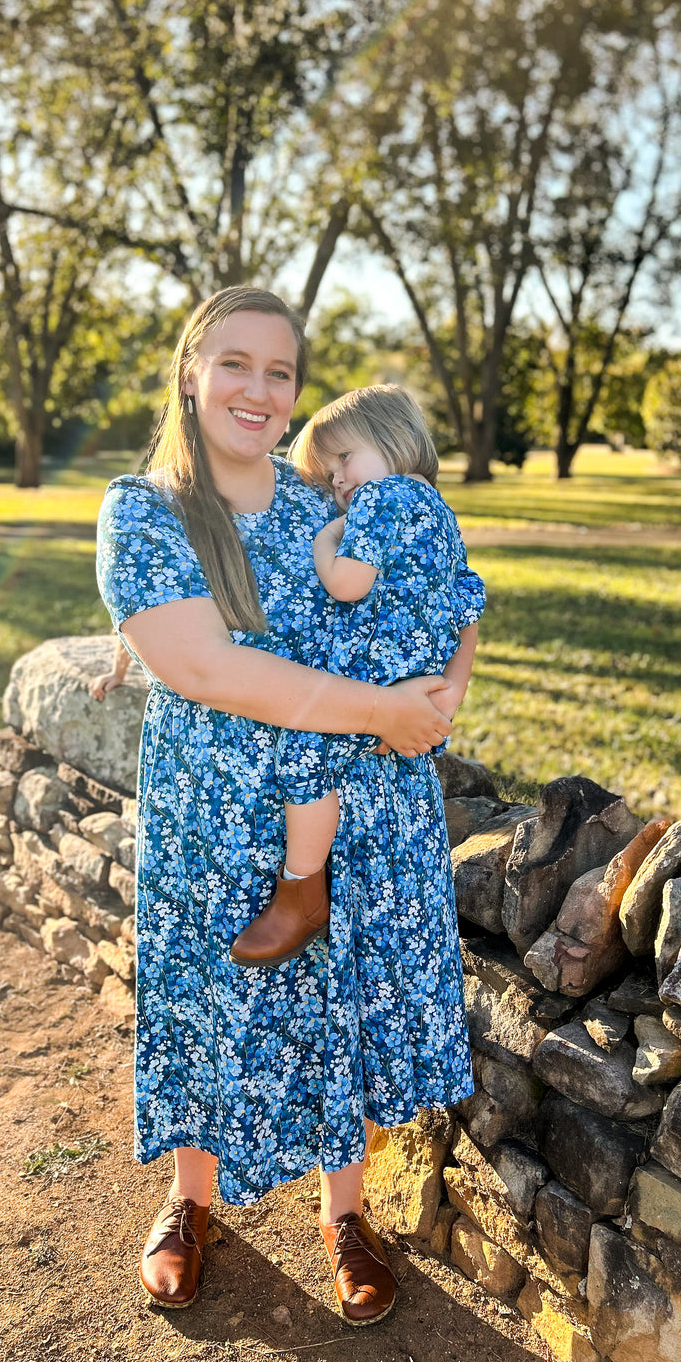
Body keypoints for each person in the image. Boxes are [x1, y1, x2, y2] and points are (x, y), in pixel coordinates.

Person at [95, 285, 482, 1327]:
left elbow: (445, 585)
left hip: (359, 799)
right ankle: (189, 1203)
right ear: (192, 371)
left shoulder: (331, 502)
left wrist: (444, 688)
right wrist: (381, 707)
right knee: (206, 993)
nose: (258, 390)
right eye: (236, 364)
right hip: (215, 809)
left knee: (338, 1004)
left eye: (281, 372)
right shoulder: (146, 509)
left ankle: (344, 1216)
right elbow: (208, 668)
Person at [229, 384, 483, 968]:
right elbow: (467, 601)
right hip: (420, 674)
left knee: (305, 749)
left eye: (343, 460)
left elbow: (347, 584)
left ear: (394, 442)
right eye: (328, 473)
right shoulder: (440, 514)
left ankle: (301, 890)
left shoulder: (380, 500)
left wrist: (326, 542)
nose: (338, 481)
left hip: (372, 668)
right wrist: (449, 695)